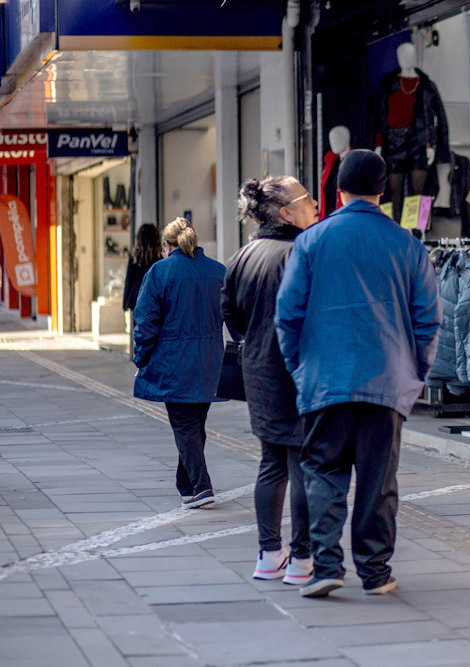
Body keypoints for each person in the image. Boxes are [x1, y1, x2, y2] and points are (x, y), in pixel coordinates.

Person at [276, 149, 441, 598]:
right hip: (387, 381)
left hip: (324, 382)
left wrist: (300, 370)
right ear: (384, 192)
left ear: (339, 190)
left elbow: (287, 316)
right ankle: (374, 571)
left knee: (324, 473)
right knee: (377, 479)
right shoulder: (407, 244)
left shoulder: (311, 242)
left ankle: (325, 565)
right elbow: (428, 319)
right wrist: (415, 374)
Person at [221, 176, 319, 586]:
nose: (314, 204)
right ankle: (301, 560)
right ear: (286, 212)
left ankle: (268, 555)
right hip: (299, 370)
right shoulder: (302, 252)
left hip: (258, 371)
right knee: (302, 465)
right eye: (307, 198)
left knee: (271, 462)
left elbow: (231, 315)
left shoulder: (241, 257)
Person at [132, 218, 226, 510]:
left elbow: (145, 321)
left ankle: (201, 486)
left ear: (166, 245)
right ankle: (186, 486)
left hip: (175, 364)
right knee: (195, 425)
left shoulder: (160, 272)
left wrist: (140, 356)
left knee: (185, 426)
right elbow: (236, 316)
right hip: (211, 363)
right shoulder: (218, 272)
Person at [123, 223, 162, 313]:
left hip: (137, 299)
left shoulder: (135, 257)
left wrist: (125, 302)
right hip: (154, 300)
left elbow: (129, 280)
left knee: (138, 326)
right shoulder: (159, 258)